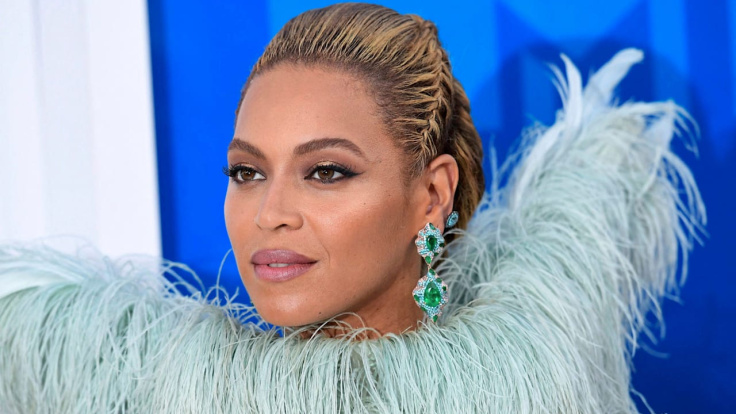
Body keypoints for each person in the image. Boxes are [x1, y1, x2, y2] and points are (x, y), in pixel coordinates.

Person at [0, 3, 705, 413]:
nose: (270, 213)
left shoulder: (536, 370)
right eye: (247, 172)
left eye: (327, 172)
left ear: (431, 196)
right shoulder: (153, 385)